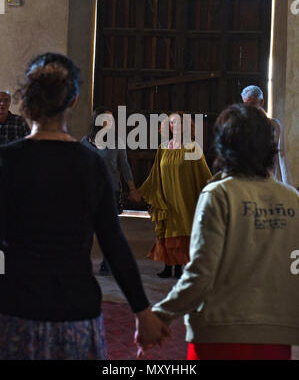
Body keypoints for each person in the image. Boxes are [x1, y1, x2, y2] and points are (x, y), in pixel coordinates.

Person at [0, 53, 168, 360]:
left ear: (26, 98)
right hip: (76, 311)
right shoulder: (89, 164)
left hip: (15, 310)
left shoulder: (7, 161)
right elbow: (114, 244)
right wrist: (143, 312)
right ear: (74, 99)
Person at [146, 104, 299, 360]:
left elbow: (200, 274)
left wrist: (159, 316)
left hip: (219, 336)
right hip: (275, 337)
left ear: (224, 145)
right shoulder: (292, 200)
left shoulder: (218, 195)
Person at [138, 111, 212, 279]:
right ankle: (168, 266)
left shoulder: (193, 148)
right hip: (167, 199)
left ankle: (179, 268)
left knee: (181, 230)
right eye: (171, 123)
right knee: (167, 231)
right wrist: (145, 193)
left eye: (178, 123)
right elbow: (155, 174)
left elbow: (204, 175)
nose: (175, 126)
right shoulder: (163, 148)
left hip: (185, 198)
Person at [81, 107, 141, 275]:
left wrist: (133, 189)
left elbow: (124, 167)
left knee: (109, 231)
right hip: (89, 192)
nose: (109, 123)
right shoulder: (85, 142)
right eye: (105, 119)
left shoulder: (117, 143)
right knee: (86, 230)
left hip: (110, 192)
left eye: (111, 120)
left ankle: (107, 263)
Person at [241, 85, 293, 186]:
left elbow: (281, 154)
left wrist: (289, 186)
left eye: (252, 104)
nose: (249, 108)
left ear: (261, 102)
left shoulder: (274, 125)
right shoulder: (241, 125)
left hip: (269, 178)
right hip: (247, 180)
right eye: (246, 104)